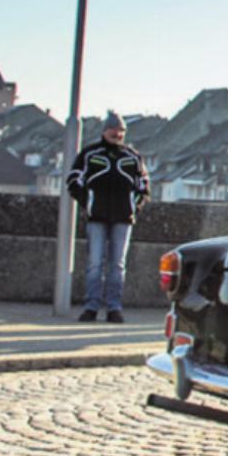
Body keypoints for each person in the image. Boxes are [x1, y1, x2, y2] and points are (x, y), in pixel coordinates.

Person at [67, 112, 150, 323]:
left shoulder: (132, 157)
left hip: (123, 217)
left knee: (117, 265)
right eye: (113, 129)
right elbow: (73, 180)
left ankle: (114, 308)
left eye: (121, 130)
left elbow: (144, 185)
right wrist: (88, 202)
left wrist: (134, 206)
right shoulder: (89, 154)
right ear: (104, 131)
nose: (117, 133)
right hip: (97, 216)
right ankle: (91, 307)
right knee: (95, 263)